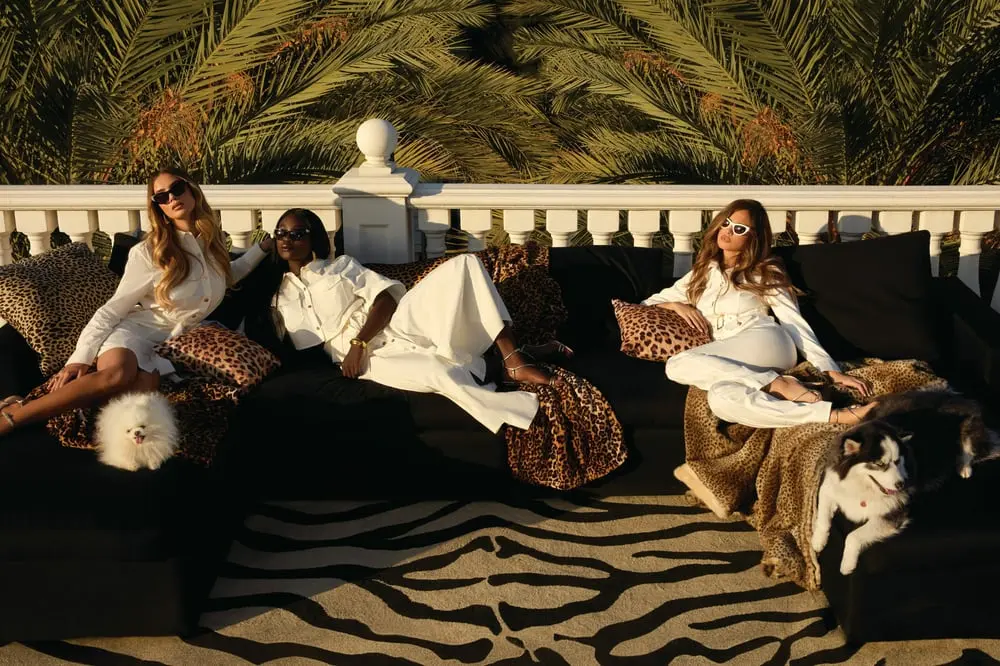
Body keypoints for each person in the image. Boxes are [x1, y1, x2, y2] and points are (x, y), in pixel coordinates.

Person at [0, 168, 273, 436]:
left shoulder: (212, 243)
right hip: (134, 331)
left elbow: (227, 274)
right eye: (161, 197)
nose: (172, 198)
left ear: (192, 190)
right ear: (158, 207)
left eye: (177, 189)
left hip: (172, 344)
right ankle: (16, 416)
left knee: (138, 401)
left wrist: (262, 249)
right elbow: (113, 308)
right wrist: (79, 358)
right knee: (117, 375)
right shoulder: (150, 252)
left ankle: (53, 409)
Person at [255, 208, 554, 434]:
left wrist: (360, 341)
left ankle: (513, 359)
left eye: (297, 233)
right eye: (281, 233)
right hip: (369, 358)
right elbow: (230, 286)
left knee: (466, 264)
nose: (287, 239)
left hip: (394, 324)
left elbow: (386, 298)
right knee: (440, 373)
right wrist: (258, 251)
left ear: (313, 238)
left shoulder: (341, 266)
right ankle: (513, 387)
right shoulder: (276, 297)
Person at [644, 199, 876, 428]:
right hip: (733, 354)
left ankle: (779, 383)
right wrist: (675, 305)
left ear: (753, 238)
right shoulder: (702, 273)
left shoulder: (765, 271)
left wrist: (831, 370)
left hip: (765, 340)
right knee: (721, 398)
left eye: (739, 229)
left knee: (677, 364)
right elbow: (647, 304)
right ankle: (832, 415)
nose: (728, 231)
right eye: (726, 223)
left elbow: (794, 322)